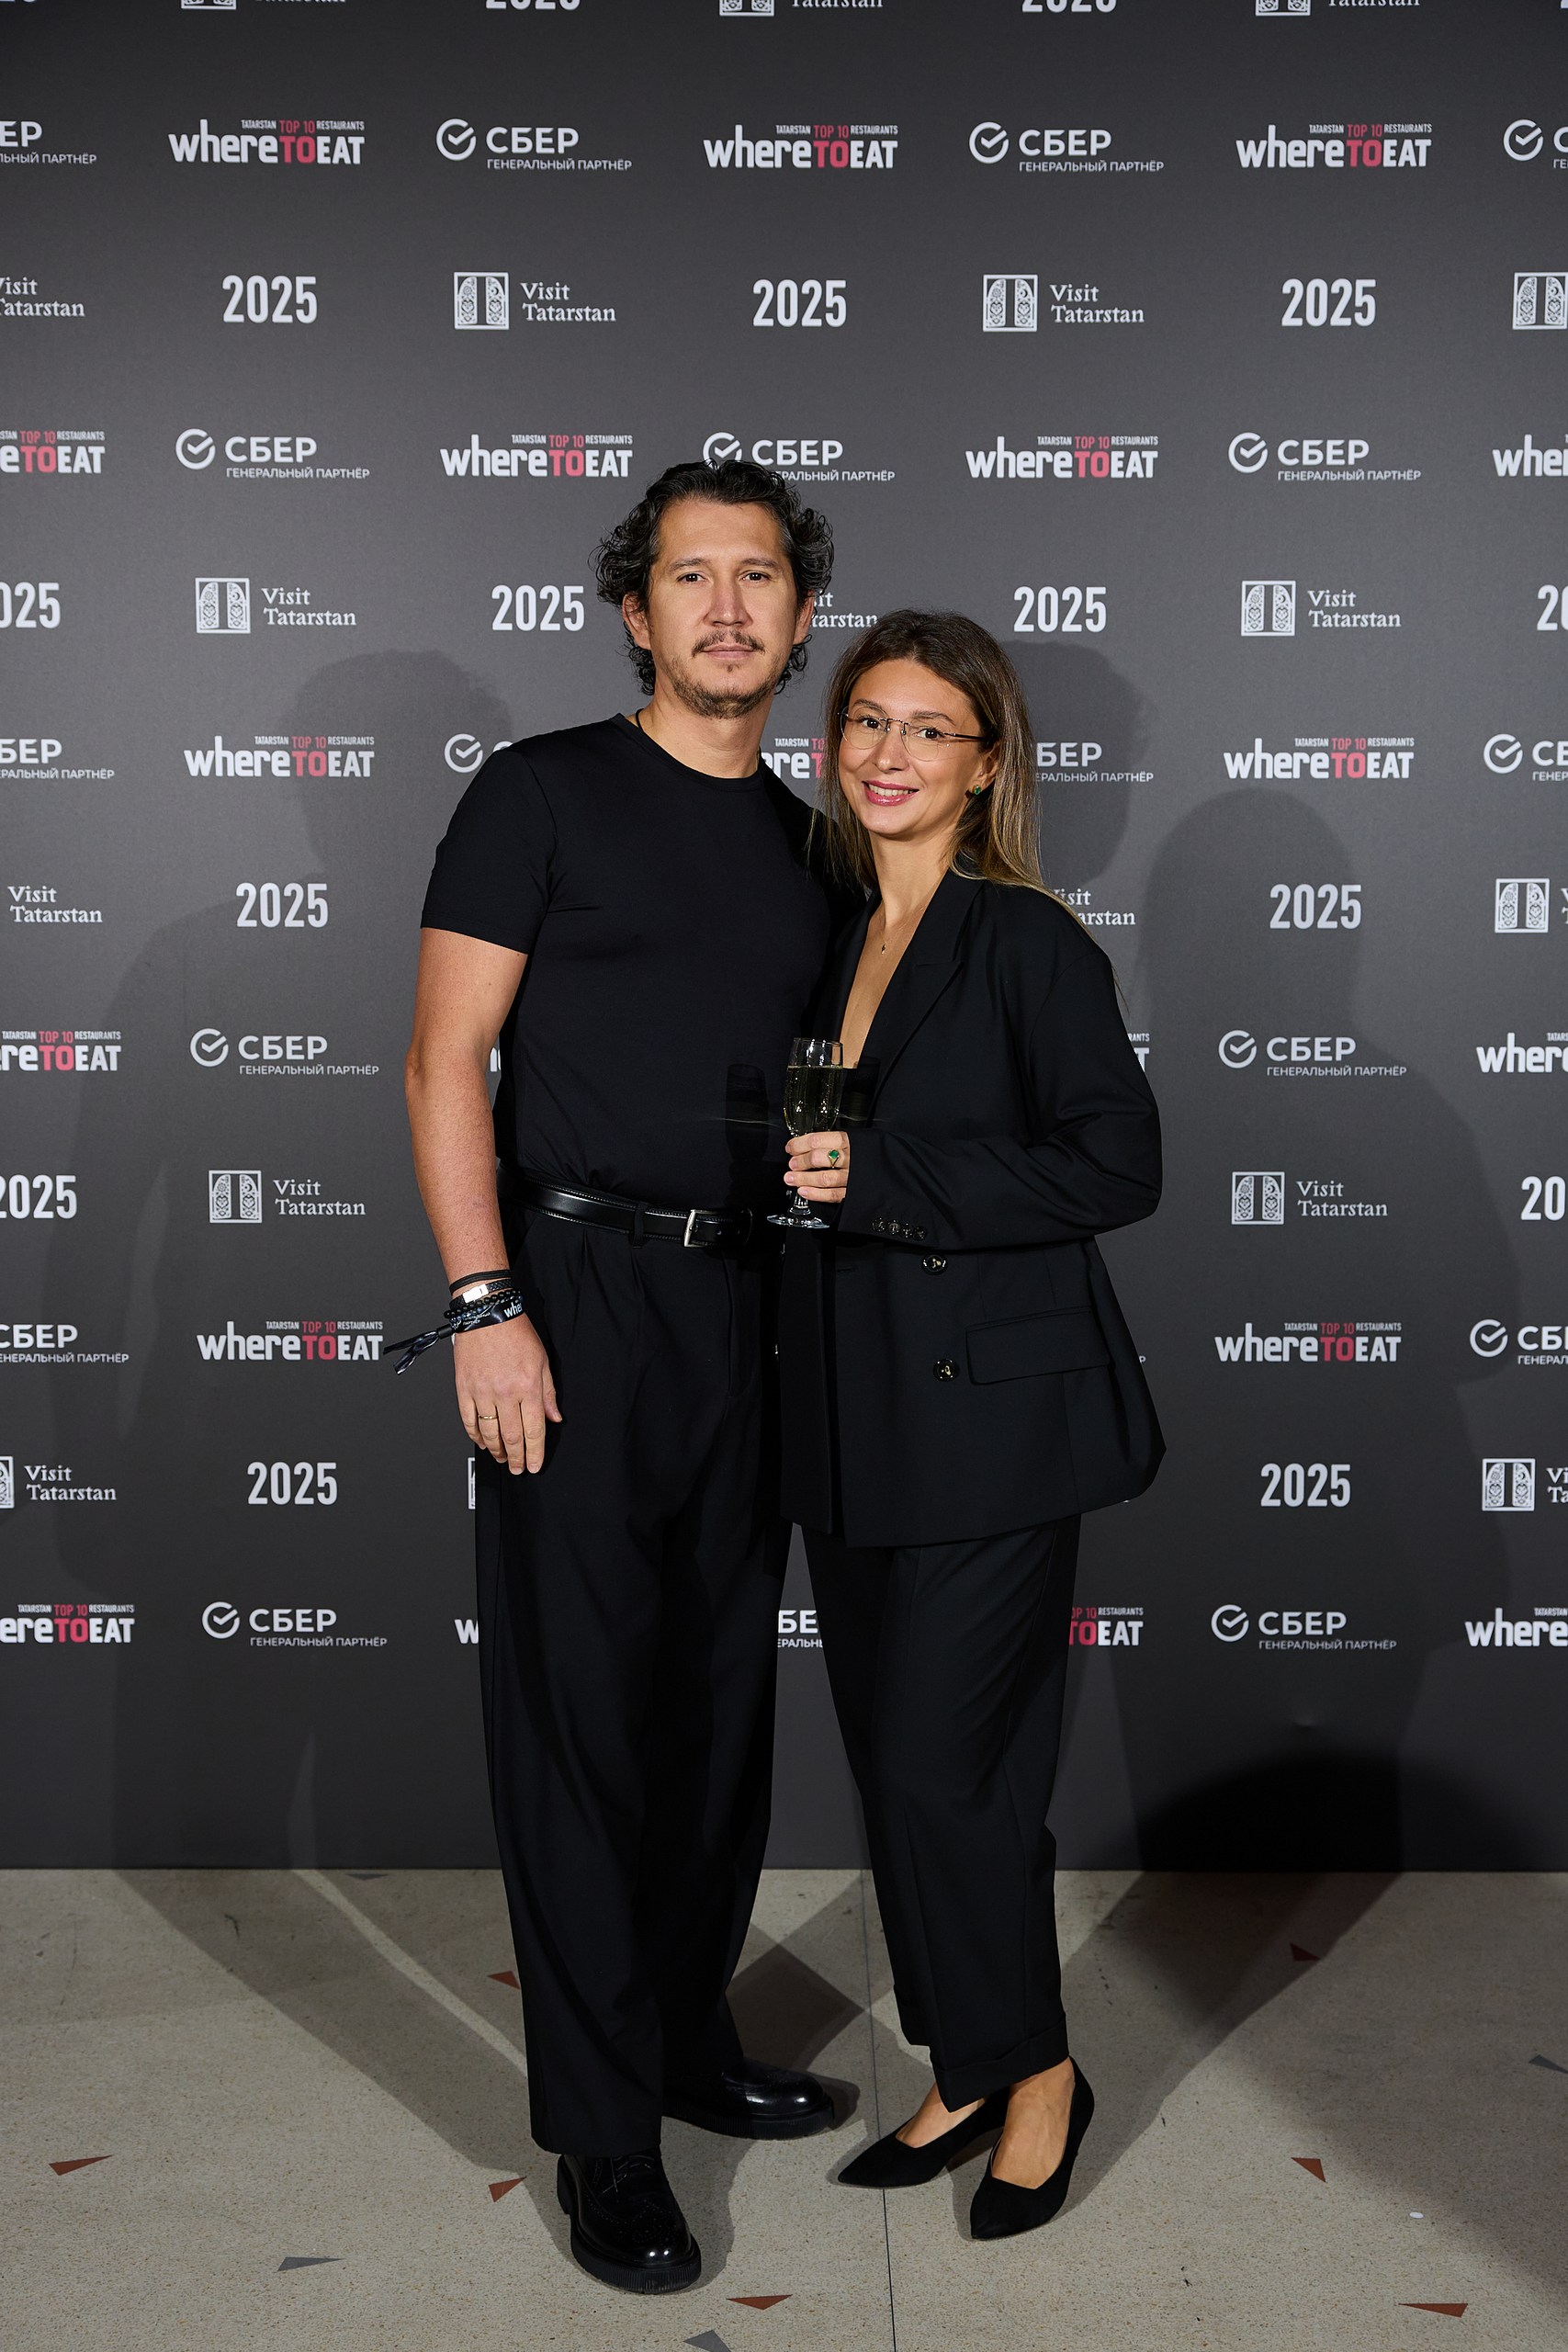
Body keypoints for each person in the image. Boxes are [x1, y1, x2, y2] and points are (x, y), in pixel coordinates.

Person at [403, 458, 844, 2296]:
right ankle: (600, 2132)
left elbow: (826, 1069)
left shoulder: (817, 843)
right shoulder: (541, 793)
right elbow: (443, 1060)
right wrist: (483, 1302)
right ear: (633, 609)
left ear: (801, 618)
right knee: (582, 1725)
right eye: (690, 575)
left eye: (759, 577)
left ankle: (679, 2036)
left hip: (753, 1307)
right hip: (572, 1296)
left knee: (715, 1717)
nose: (727, 606)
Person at [776, 610, 1163, 2242]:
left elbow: (1118, 1164)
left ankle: (1039, 2073)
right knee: (901, 1770)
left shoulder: (1027, 943)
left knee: (954, 1774)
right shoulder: (829, 934)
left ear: (986, 761)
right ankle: (965, 2059)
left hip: (997, 1431)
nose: (889, 755)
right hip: (851, 1417)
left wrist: (891, 1177)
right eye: (868, 720)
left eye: (929, 729)